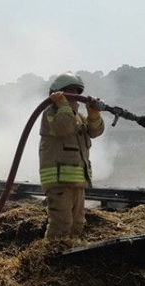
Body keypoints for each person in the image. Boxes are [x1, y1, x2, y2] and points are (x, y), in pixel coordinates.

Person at [39, 72, 105, 240]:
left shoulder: (77, 117)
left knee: (77, 225)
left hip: (77, 181)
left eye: (76, 91)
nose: (74, 95)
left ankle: (69, 258)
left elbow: (94, 132)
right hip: (59, 181)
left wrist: (93, 114)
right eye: (69, 91)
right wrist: (63, 106)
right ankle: (51, 259)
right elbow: (63, 128)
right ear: (58, 92)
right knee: (61, 224)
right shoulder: (50, 113)